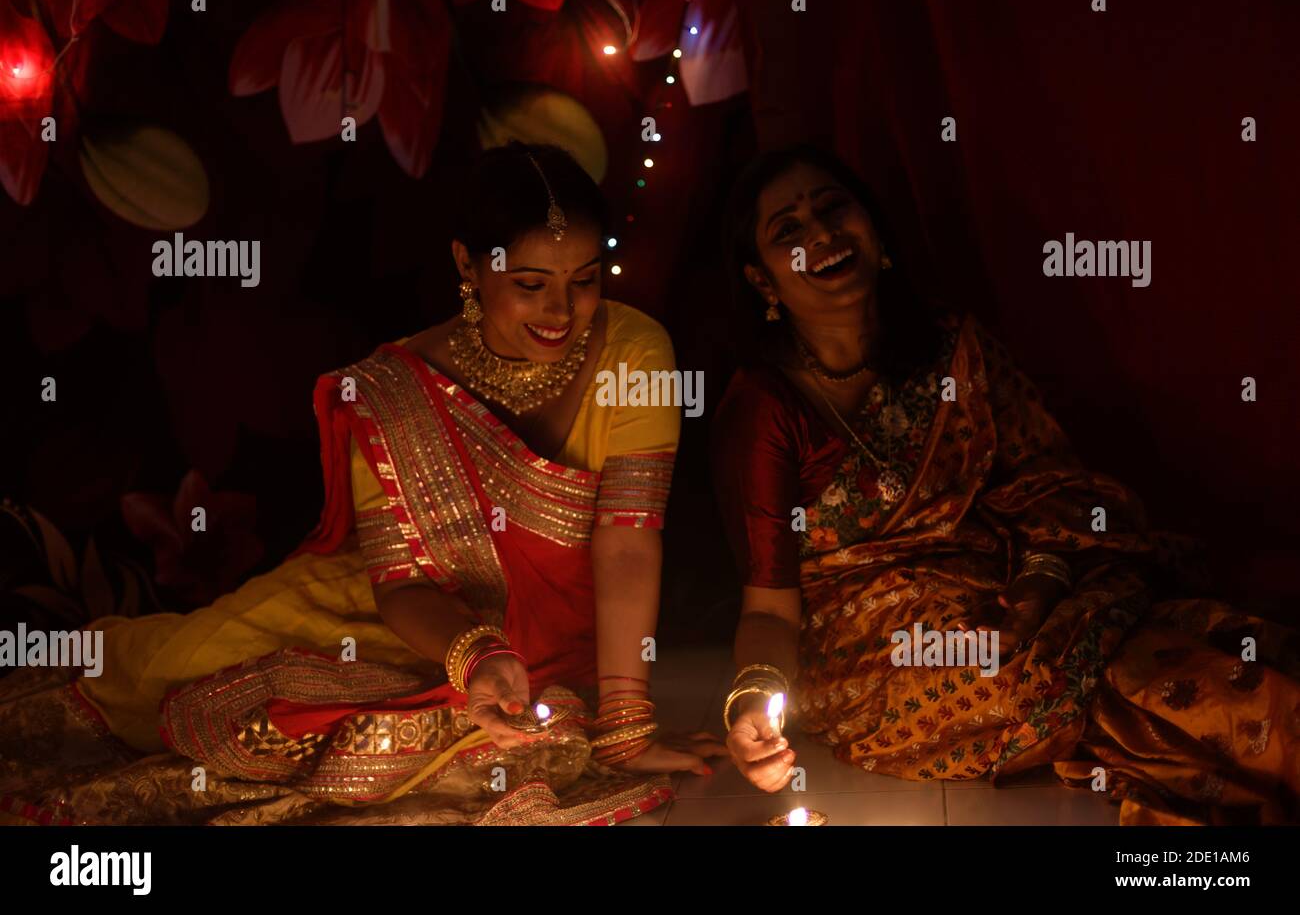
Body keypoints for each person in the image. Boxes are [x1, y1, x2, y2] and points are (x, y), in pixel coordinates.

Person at [0, 142, 723, 826]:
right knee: (167, 665)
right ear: (467, 266)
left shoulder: (633, 350)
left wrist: (627, 728)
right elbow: (401, 582)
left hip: (559, 636)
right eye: (530, 285)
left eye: (585, 280)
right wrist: (477, 652)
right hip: (416, 612)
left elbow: (628, 541)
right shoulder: (390, 388)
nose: (562, 312)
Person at [711, 144, 1299, 824]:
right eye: (788, 230)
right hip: (876, 655)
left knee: (1195, 642)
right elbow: (767, 607)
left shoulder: (953, 346)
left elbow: (1049, 480)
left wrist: (1041, 579)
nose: (821, 235)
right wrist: (753, 697)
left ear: (873, 226)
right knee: (1065, 674)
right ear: (762, 280)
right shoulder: (763, 407)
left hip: (1011, 582)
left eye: (834, 208)